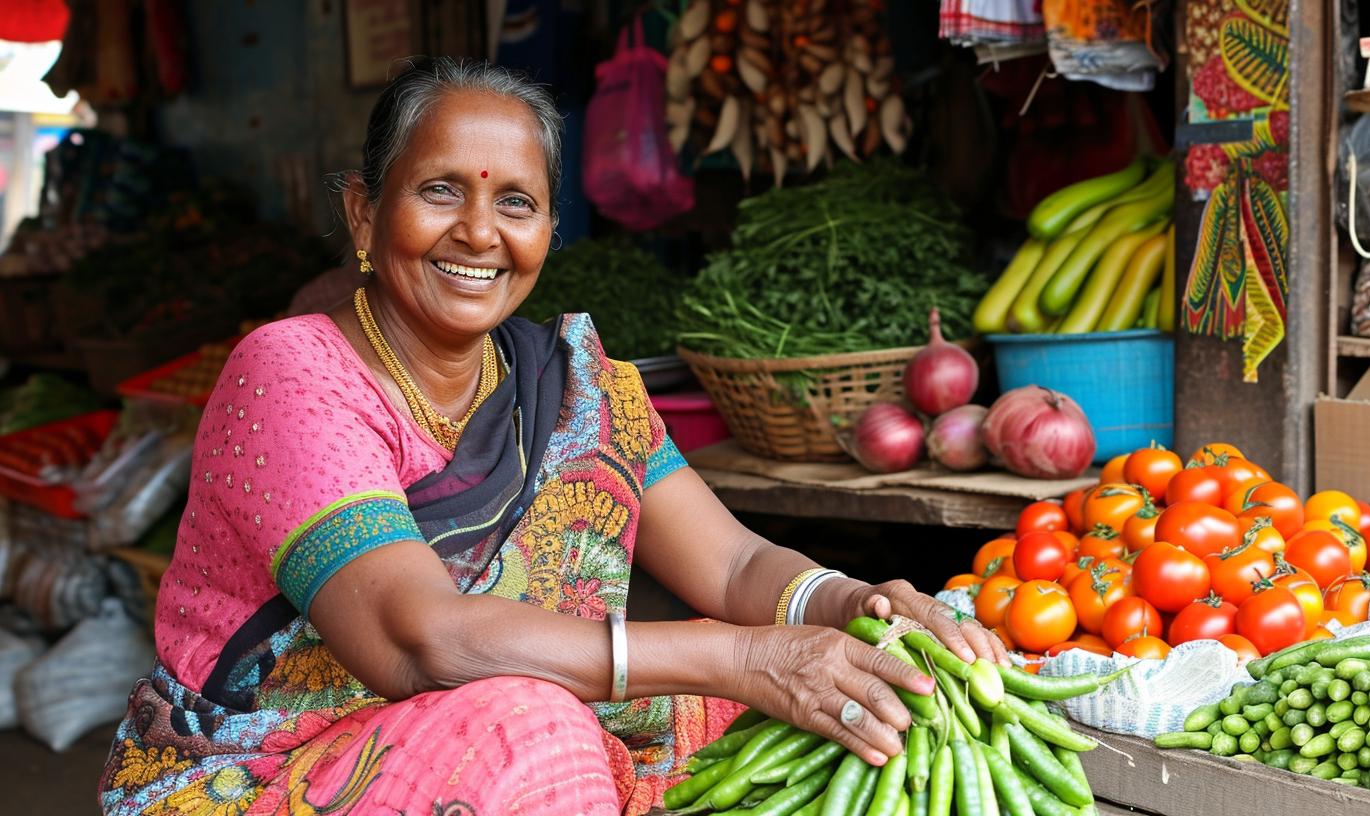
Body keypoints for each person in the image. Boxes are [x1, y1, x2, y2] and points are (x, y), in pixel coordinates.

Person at [98, 56, 1006, 816]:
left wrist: (843, 604)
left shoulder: (579, 383)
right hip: (263, 775)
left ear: (548, 228)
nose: (480, 233)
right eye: (440, 191)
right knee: (537, 732)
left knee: (820, 722)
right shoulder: (294, 374)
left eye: (518, 204)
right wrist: (744, 657)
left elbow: (730, 569)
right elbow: (419, 640)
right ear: (364, 213)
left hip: (500, 729)